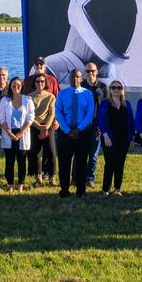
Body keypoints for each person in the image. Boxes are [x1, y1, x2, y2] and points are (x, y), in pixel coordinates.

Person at [54, 69, 97, 197]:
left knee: (81, 163)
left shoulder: (88, 94)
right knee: (64, 163)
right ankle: (64, 190)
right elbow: (58, 112)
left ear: (81, 79)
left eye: (78, 77)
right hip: (65, 134)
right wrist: (67, 130)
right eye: (73, 77)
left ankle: (80, 190)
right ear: (69, 78)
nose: (75, 79)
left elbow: (89, 113)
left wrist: (78, 129)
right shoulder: (62, 94)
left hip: (82, 133)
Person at [0, 76, 34, 192]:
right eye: (13, 85)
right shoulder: (4, 100)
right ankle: (10, 185)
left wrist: (22, 132)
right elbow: (1, 117)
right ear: (10, 86)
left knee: (22, 160)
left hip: (22, 133)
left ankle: (21, 185)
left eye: (18, 85)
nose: (16, 87)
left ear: (22, 86)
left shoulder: (27, 100)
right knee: (9, 160)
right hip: (9, 132)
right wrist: (9, 132)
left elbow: (31, 117)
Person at [98, 79, 134, 195]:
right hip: (109, 139)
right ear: (110, 90)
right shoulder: (105, 103)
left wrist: (131, 138)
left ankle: (117, 188)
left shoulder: (126, 104)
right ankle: (105, 190)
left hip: (124, 140)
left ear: (122, 90)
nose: (116, 90)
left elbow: (131, 122)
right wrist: (105, 136)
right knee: (110, 164)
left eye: (119, 87)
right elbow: (101, 121)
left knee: (120, 164)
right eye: (113, 87)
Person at [28, 74, 58, 185]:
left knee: (51, 152)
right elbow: (29, 115)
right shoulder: (29, 97)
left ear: (45, 83)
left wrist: (45, 127)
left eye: (42, 81)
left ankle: (52, 177)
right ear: (34, 83)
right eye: (37, 81)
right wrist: (39, 127)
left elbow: (52, 113)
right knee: (35, 153)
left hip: (47, 127)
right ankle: (38, 177)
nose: (39, 83)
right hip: (34, 126)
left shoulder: (50, 97)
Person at [82, 64, 107, 186]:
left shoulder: (103, 87)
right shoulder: (81, 86)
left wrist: (102, 127)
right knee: (80, 153)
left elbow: (107, 109)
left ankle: (90, 178)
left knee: (93, 155)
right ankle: (76, 178)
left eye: (92, 71)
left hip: (97, 126)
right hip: (82, 126)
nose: (90, 73)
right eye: (87, 71)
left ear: (97, 72)